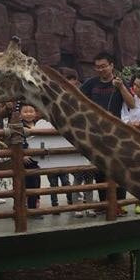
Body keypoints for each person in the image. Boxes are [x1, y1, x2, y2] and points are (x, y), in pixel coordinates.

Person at [80, 51, 126, 206]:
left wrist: (121, 88)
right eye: (97, 67)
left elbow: (132, 103)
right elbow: (78, 99)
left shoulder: (120, 82)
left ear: (111, 65)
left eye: (104, 66)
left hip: (116, 135)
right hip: (96, 134)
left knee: (117, 169)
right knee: (99, 169)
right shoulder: (90, 83)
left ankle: (119, 204)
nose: (100, 70)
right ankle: (103, 204)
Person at [62, 68, 96, 217]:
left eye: (74, 86)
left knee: (89, 178)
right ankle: (77, 207)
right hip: (74, 145)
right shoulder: (62, 104)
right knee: (77, 178)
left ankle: (89, 206)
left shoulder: (84, 102)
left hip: (88, 143)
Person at [18, 103, 43, 212]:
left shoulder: (39, 125)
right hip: (25, 161)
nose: (28, 114)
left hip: (37, 160)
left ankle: (36, 203)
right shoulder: (18, 126)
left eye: (31, 111)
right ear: (20, 114)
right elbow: (15, 143)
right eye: (25, 111)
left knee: (37, 182)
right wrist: (22, 155)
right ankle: (31, 208)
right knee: (27, 183)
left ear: (36, 113)